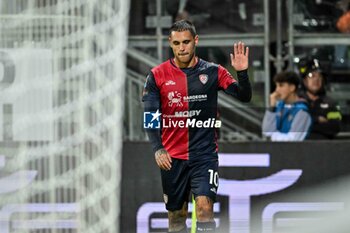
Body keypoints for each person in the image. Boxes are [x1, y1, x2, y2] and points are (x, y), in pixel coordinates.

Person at [142, 20, 251, 233]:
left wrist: (243, 73)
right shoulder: (157, 76)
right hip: (172, 158)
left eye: (186, 42)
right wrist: (158, 148)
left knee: (204, 208)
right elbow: (150, 115)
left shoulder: (213, 72)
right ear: (170, 43)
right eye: (176, 43)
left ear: (196, 41)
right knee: (176, 218)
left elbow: (244, 96)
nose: (182, 48)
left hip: (204, 155)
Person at [299, 59, 342, 139]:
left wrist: (307, 123)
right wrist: (317, 119)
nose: (316, 79)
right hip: (297, 149)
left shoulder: (331, 103)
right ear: (304, 80)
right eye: (312, 75)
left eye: (320, 76)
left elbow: (335, 128)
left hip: (324, 148)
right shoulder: (297, 101)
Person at [262, 71, 312, 141]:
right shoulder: (278, 106)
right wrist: (272, 107)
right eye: (276, 86)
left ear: (292, 87)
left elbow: (293, 140)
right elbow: (266, 132)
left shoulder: (302, 111)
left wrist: (273, 136)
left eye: (281, 85)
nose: (277, 90)